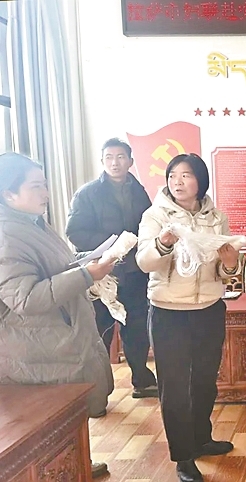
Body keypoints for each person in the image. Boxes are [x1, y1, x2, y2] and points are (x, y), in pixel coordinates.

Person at [0, 153, 115, 478]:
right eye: (36, 186)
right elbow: (25, 298)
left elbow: (55, 267)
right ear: (9, 194)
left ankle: (79, 465)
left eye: (45, 185)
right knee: (50, 430)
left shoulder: (33, 223)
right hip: (37, 346)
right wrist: (86, 275)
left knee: (70, 420)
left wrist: (87, 261)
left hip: (59, 336)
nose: (46, 193)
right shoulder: (7, 236)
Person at [136, 153, 239, 482]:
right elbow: (144, 261)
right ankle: (183, 456)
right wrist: (163, 243)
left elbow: (223, 272)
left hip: (209, 309)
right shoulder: (156, 216)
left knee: (205, 382)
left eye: (186, 175)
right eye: (172, 176)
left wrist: (230, 264)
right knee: (175, 388)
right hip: (169, 313)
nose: (177, 182)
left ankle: (201, 438)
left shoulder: (217, 217)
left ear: (200, 181)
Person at [66, 138, 158, 400]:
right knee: (100, 331)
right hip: (102, 274)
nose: (114, 162)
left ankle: (141, 380)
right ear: (102, 161)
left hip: (135, 272)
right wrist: (113, 243)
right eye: (109, 157)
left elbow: (148, 226)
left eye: (120, 157)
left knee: (137, 328)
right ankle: (97, 391)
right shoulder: (88, 193)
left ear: (130, 161)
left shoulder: (139, 191)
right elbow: (74, 232)